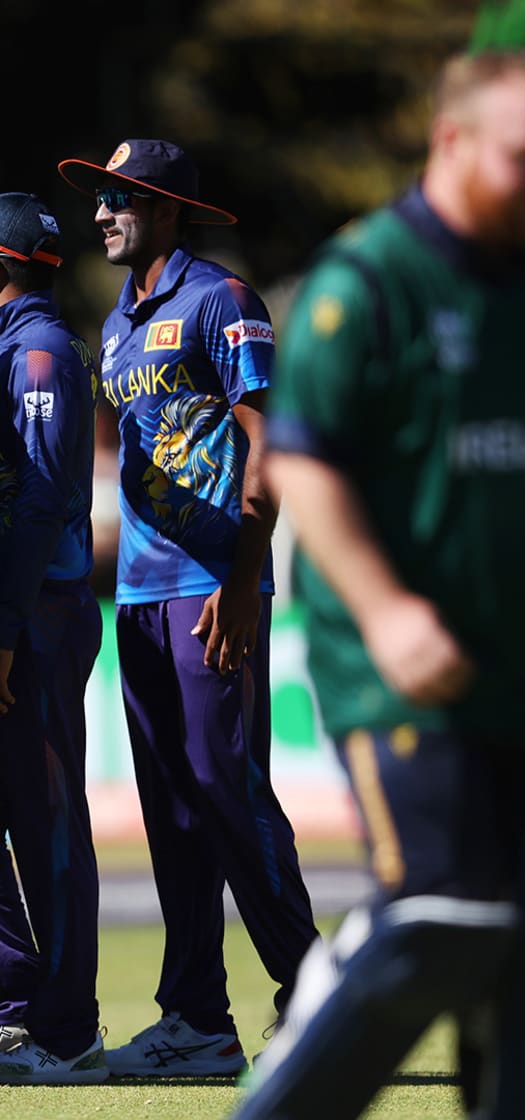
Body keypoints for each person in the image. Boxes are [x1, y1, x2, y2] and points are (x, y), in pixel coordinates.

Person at [232, 48, 525, 1120]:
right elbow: (299, 464)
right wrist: (386, 608)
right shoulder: (363, 283)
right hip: (397, 670)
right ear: (452, 141)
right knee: (446, 917)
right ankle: (323, 1004)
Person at [56, 140, 319, 1077]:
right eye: (96, 198)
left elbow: (269, 450)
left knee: (225, 787)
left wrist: (245, 582)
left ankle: (315, 990)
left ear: (166, 208)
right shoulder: (119, 323)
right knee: (170, 804)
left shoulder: (223, 302)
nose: (99, 215)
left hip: (214, 593)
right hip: (138, 593)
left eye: (117, 198)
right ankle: (198, 1020)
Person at [0, 193, 107, 1084]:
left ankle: (69, 1033)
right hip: (13, 619)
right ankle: (11, 1007)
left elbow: (39, 501)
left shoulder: (39, 353)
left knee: (47, 829)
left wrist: (3, 624)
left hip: (36, 622)